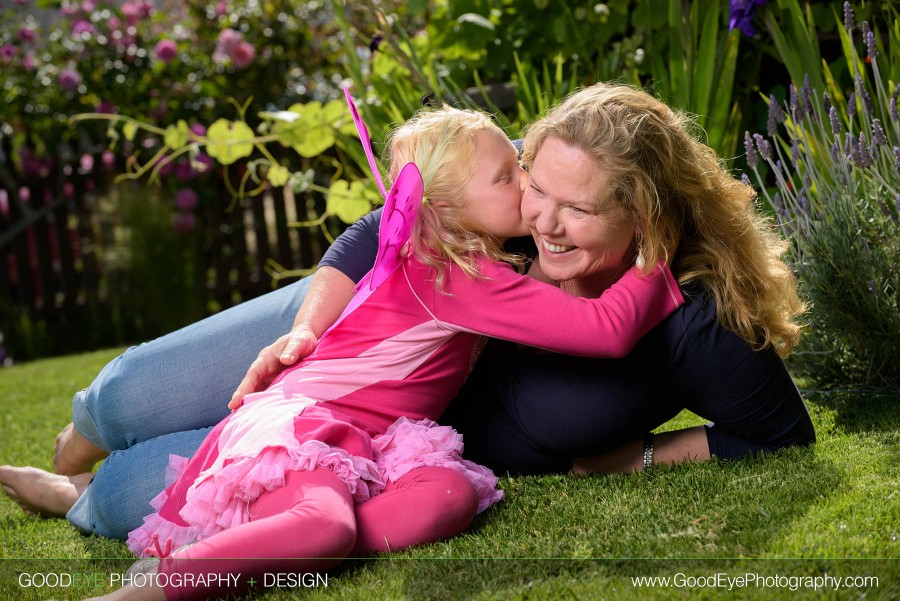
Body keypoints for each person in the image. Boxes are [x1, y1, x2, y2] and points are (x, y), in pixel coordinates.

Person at [0, 82, 814, 549]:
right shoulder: (488, 224)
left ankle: (70, 487)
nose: (544, 221)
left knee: (127, 494)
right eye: (536, 185)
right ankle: (79, 432)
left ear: (647, 212)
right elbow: (379, 226)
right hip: (348, 328)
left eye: (581, 210)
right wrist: (306, 332)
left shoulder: (695, 318)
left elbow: (780, 434)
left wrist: (627, 457)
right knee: (126, 394)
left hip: (393, 432)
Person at [78, 100, 681, 601]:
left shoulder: (448, 247)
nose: (527, 183)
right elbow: (605, 329)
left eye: (519, 163)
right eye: (507, 176)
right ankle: (156, 588)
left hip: (371, 436)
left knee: (450, 495)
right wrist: (658, 246)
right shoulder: (458, 276)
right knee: (324, 522)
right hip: (306, 428)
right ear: (444, 209)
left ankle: (292, 542)